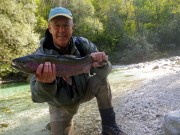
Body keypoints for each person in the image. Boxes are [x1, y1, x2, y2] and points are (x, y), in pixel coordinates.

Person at [30, 6, 127, 135]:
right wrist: (45, 84)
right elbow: (36, 96)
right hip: (60, 104)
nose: (61, 30)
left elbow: (107, 69)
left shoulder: (83, 44)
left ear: (72, 28)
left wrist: (102, 65)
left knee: (102, 81)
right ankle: (61, 123)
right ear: (50, 28)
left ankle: (109, 126)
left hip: (84, 91)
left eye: (66, 25)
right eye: (57, 25)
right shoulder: (39, 56)